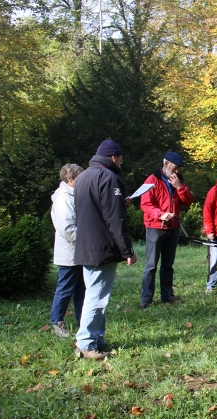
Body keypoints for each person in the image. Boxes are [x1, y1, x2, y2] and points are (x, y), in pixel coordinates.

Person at [74, 139, 137, 360]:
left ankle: (96, 338)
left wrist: (120, 203)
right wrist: (127, 250)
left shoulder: (82, 177)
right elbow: (115, 219)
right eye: (120, 158)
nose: (121, 162)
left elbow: (95, 209)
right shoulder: (109, 178)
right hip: (101, 246)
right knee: (96, 296)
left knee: (95, 293)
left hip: (86, 245)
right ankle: (86, 343)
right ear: (113, 157)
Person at [139, 152, 194, 308]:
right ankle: (146, 298)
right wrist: (161, 215)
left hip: (173, 228)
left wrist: (180, 188)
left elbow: (188, 201)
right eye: (175, 168)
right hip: (155, 228)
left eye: (178, 169)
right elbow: (145, 204)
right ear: (166, 164)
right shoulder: (151, 180)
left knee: (168, 265)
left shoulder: (178, 181)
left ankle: (167, 296)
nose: (176, 172)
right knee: (151, 265)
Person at [49, 163, 86, 338]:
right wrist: (86, 242)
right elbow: (67, 228)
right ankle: (57, 322)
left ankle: (83, 322)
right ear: (69, 179)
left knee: (81, 290)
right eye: (79, 177)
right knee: (65, 288)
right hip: (70, 252)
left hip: (78, 252)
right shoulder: (64, 198)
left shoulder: (74, 195)